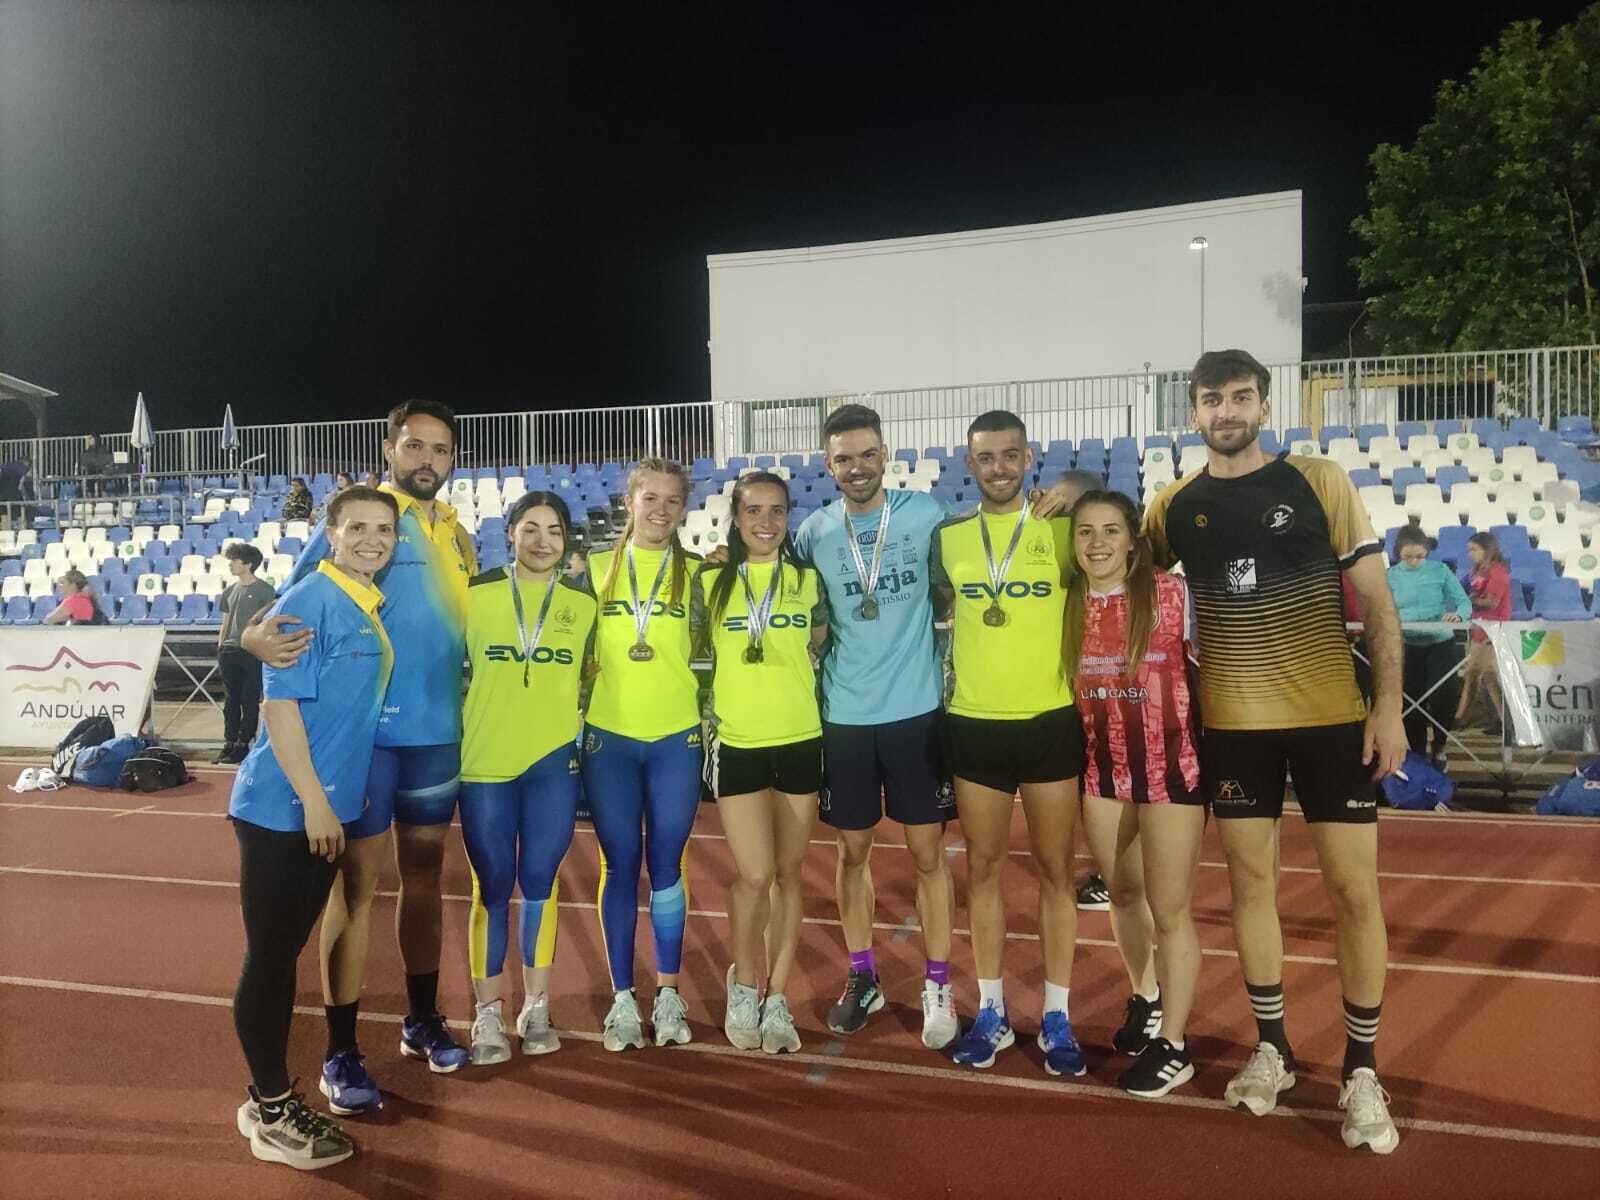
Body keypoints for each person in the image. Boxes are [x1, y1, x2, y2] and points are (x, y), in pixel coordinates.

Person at [1142, 349, 1406, 1155]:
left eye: (1242, 397)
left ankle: (1362, 1067)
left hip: (1332, 720)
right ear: (1193, 413)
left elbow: (1379, 604)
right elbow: (1117, 573)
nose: (1227, 411)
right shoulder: (1172, 506)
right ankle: (1274, 1048)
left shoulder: (1320, 481)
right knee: (1251, 885)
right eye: (1212, 399)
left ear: (1263, 405)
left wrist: (1388, 707)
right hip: (1235, 726)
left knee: (1352, 891)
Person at [790, 404, 1078, 1050]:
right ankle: (862, 974)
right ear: (828, 464)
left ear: (885, 453)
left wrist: (1072, 493)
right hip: (843, 716)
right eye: (843, 458)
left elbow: (991, 552)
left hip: (918, 713)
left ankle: (939, 983)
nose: (857, 468)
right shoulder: (812, 533)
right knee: (851, 852)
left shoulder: (927, 521)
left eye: (867, 454)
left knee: (928, 857)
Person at [243, 398, 476, 1114]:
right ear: (388, 448)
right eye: (414, 446)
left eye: (440, 449)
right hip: (369, 744)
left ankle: (421, 1018)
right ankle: (341, 1050)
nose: (427, 460)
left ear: (453, 460)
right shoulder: (358, 524)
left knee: (427, 878)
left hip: (438, 735)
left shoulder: (457, 535)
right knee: (356, 890)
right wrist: (251, 640)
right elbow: (279, 617)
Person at [229, 485, 398, 1171]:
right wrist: (317, 803)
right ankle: (272, 1111)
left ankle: (263, 1099)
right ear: (328, 534)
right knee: (271, 961)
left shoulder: (361, 601)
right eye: (357, 527)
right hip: (284, 810)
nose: (372, 538)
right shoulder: (308, 600)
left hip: (321, 808)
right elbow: (281, 710)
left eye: (384, 529)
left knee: (281, 952)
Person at [930, 410, 1085, 1075]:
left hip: (1051, 719)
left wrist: (1075, 496)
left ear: (1030, 458)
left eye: (1010, 455)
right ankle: (989, 1010)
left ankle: (1057, 1015)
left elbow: (1129, 534)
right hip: (975, 723)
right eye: (985, 458)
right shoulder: (950, 539)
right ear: (971, 466)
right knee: (983, 872)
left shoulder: (1061, 529)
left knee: (1056, 872)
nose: (998, 467)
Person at [1065, 490, 1206, 1097]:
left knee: (1171, 911)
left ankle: (1175, 1044)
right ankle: (1146, 997)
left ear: (1131, 538)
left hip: (1172, 771)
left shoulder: (1173, 595)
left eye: (1110, 531)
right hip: (1101, 774)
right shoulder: (1066, 604)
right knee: (1124, 893)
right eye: (1085, 532)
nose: (1097, 543)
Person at [459, 492, 596, 1063]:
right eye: (532, 529)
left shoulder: (583, 607)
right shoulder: (474, 597)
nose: (544, 541)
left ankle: (536, 1005)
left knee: (540, 883)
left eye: (555, 532)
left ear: (566, 543)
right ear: (510, 533)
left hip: (552, 765)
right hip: (485, 762)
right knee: (491, 887)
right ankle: (487, 1013)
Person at [692, 472, 826, 1054]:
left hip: (800, 737)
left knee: (790, 875)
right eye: (754, 512)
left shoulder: (806, 580)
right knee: (754, 875)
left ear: (788, 516)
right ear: (737, 518)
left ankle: (777, 994)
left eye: (776, 511)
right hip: (740, 741)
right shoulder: (713, 580)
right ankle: (742, 983)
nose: (766, 522)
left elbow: (818, 642)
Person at [582, 457, 703, 1051]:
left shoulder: (700, 574)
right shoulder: (594, 571)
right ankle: (623, 998)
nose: (659, 510)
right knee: (619, 865)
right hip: (610, 740)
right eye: (648, 498)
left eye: (671, 501)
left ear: (684, 509)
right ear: (629, 502)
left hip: (676, 740)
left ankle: (670, 993)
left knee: (669, 865)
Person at [1387, 526, 1470, 764]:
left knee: (1444, 697)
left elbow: (1463, 603)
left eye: (1420, 556)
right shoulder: (1390, 576)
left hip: (1441, 643)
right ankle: (1417, 756)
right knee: (1412, 701)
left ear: (1427, 553)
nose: (1414, 561)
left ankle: (1440, 744)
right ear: (1398, 554)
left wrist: (1459, 616)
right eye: (1407, 557)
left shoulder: (1440, 570)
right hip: (1407, 645)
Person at [216, 544, 279, 764]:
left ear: (248, 564)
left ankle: (244, 743)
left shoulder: (264, 591)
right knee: (231, 700)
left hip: (251, 651)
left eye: (235, 560)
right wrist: (221, 646)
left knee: (249, 699)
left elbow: (270, 618)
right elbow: (225, 622)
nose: (231, 564)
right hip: (230, 651)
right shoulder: (229, 591)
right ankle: (229, 741)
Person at [1454, 533, 1511, 736]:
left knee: (1474, 674)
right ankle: (1500, 721)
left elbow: (1492, 602)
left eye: (1474, 550)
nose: (1470, 554)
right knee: (1487, 677)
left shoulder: (1498, 572)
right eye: (1469, 550)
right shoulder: (1477, 570)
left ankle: (1460, 718)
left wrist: (1468, 600)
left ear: (1488, 550)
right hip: (1480, 628)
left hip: (1493, 629)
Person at [43, 569, 108, 625]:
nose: (60, 586)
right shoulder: (86, 598)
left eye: (63, 583)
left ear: (72, 585)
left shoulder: (73, 600)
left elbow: (48, 620)